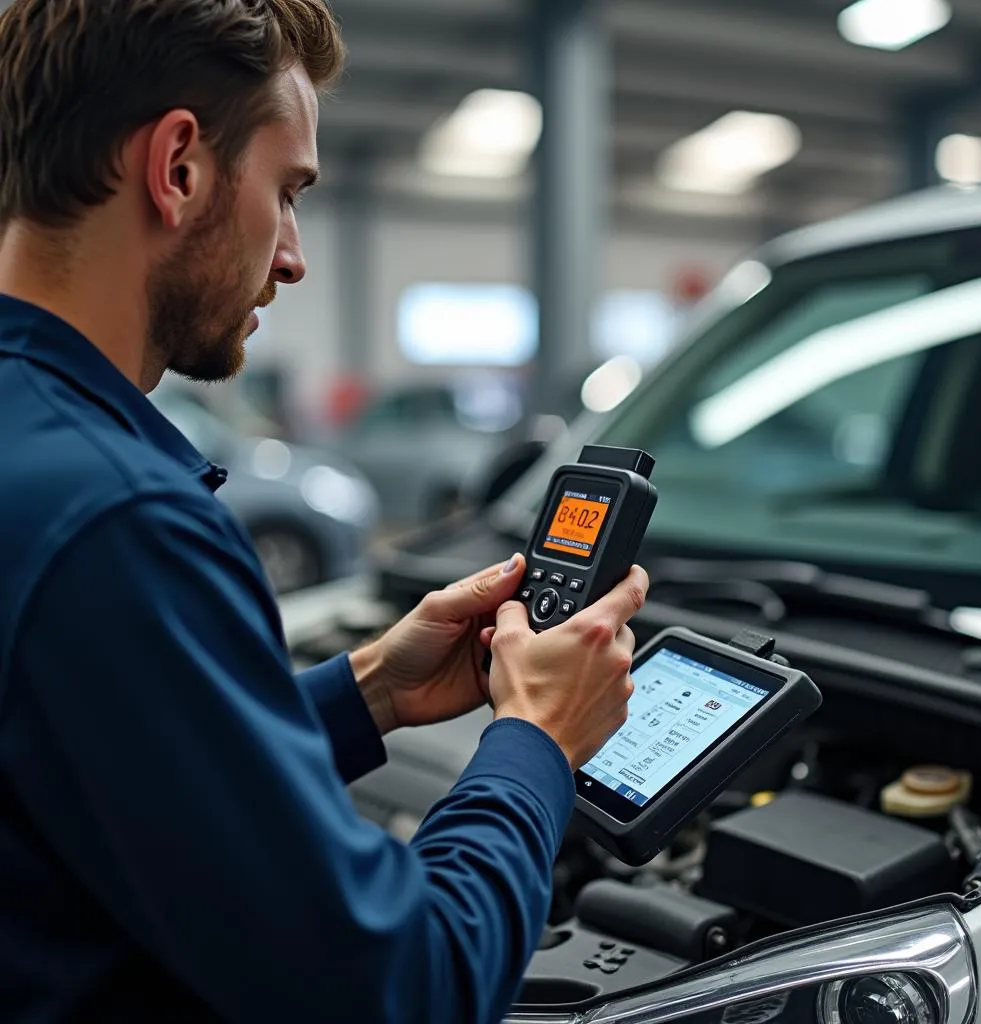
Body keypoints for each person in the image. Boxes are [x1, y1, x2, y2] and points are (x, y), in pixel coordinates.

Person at [0, 2, 648, 1021]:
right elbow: (401, 989)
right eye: (288, 190)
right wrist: (537, 738)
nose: (292, 255)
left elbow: (105, 771)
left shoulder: (32, 449)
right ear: (178, 168)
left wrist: (369, 691)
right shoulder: (116, 519)